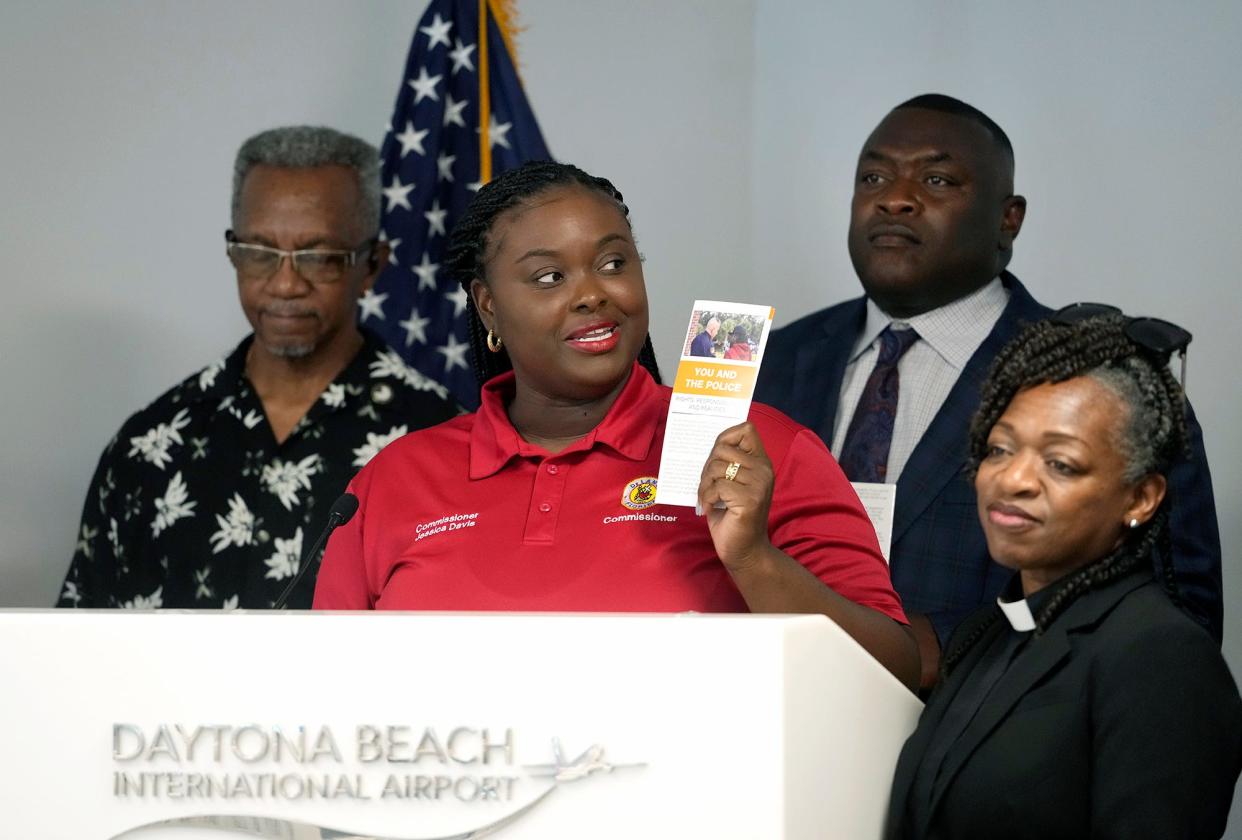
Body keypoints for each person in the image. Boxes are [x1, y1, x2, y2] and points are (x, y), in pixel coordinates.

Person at [313, 161, 919, 689]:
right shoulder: (394, 480)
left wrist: (754, 560)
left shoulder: (758, 450)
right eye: (549, 277)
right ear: (488, 305)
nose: (592, 295)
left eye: (612, 262)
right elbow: (317, 688)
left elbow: (895, 671)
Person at [755, 94, 1222, 688]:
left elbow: (1177, 626)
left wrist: (946, 649)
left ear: (1009, 219)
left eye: (936, 178)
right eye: (873, 176)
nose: (894, 197)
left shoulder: (1105, 381)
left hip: (995, 755)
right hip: (779, 734)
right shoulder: (773, 361)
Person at [57, 126, 457, 610]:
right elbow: (80, 650)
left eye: (318, 257)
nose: (285, 284)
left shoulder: (441, 444)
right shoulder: (149, 447)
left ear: (371, 265)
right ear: (233, 252)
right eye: (259, 253)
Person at [884, 312, 1241, 839]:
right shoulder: (984, 636)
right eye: (1000, 449)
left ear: (1140, 498)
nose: (1014, 479)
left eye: (1061, 464)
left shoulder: (1161, 657)